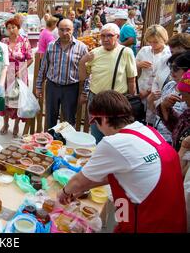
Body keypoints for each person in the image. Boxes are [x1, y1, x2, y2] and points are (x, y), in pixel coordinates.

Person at [57, 90, 187, 233]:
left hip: (148, 222)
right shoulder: (149, 131)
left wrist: (64, 192)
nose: (98, 128)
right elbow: (129, 174)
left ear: (104, 119)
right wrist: (83, 188)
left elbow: (78, 181)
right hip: (175, 219)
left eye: (95, 122)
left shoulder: (113, 143)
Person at [79, 23, 137, 143]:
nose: (105, 39)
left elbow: (131, 79)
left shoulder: (126, 52)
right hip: (96, 99)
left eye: (109, 36)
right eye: (103, 36)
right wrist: (82, 62)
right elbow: (83, 77)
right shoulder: (94, 53)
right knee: (96, 135)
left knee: (116, 137)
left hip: (116, 101)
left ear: (117, 36)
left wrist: (132, 100)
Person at [36, 19, 88, 129]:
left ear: (73, 30)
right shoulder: (51, 46)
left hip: (71, 88)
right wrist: (39, 86)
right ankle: (50, 143)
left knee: (69, 120)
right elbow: (43, 67)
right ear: (57, 31)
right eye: (62, 30)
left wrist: (84, 92)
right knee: (50, 118)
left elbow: (88, 72)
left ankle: (66, 143)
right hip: (52, 87)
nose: (65, 33)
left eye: (68, 30)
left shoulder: (81, 47)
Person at [0, 18, 33, 137]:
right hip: (6, 74)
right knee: (6, 101)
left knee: (18, 101)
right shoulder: (3, 41)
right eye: (9, 28)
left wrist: (21, 70)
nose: (11, 30)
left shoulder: (24, 41)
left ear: (18, 28)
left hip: (20, 75)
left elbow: (30, 58)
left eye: (13, 27)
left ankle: (17, 124)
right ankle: (6, 123)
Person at [150, 52, 189, 144]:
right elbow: (178, 126)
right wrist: (163, 106)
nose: (171, 71)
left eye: (175, 68)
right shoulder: (169, 85)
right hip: (161, 137)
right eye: (170, 67)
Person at [136, 25, 171, 124]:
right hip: (141, 88)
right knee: (139, 116)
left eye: (156, 42)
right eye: (150, 42)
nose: (152, 45)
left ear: (163, 39)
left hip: (156, 92)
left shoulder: (168, 53)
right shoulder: (144, 50)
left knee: (153, 117)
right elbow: (133, 69)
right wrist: (138, 65)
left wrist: (147, 91)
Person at [158, 68, 190, 152]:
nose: (182, 99)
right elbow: (178, 128)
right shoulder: (187, 114)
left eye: (185, 95)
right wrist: (165, 107)